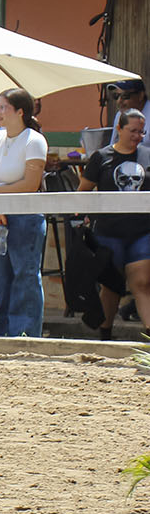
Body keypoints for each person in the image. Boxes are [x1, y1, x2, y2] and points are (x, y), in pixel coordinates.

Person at [0, 87, 48, 337]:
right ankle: (2, 331)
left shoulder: (34, 140)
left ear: (20, 111)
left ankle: (25, 333)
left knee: (25, 274)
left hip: (25, 216)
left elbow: (30, 184)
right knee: (0, 277)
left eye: (3, 108)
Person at [78, 108, 150, 336]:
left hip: (141, 231)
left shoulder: (147, 156)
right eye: (133, 131)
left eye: (141, 131)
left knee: (142, 283)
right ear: (119, 129)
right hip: (108, 231)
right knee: (112, 287)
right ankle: (105, 334)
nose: (137, 136)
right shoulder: (101, 157)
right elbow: (83, 191)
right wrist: (85, 215)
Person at [108, 79, 150, 147]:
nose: (119, 101)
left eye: (125, 96)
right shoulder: (120, 115)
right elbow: (114, 145)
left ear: (140, 96)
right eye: (116, 96)